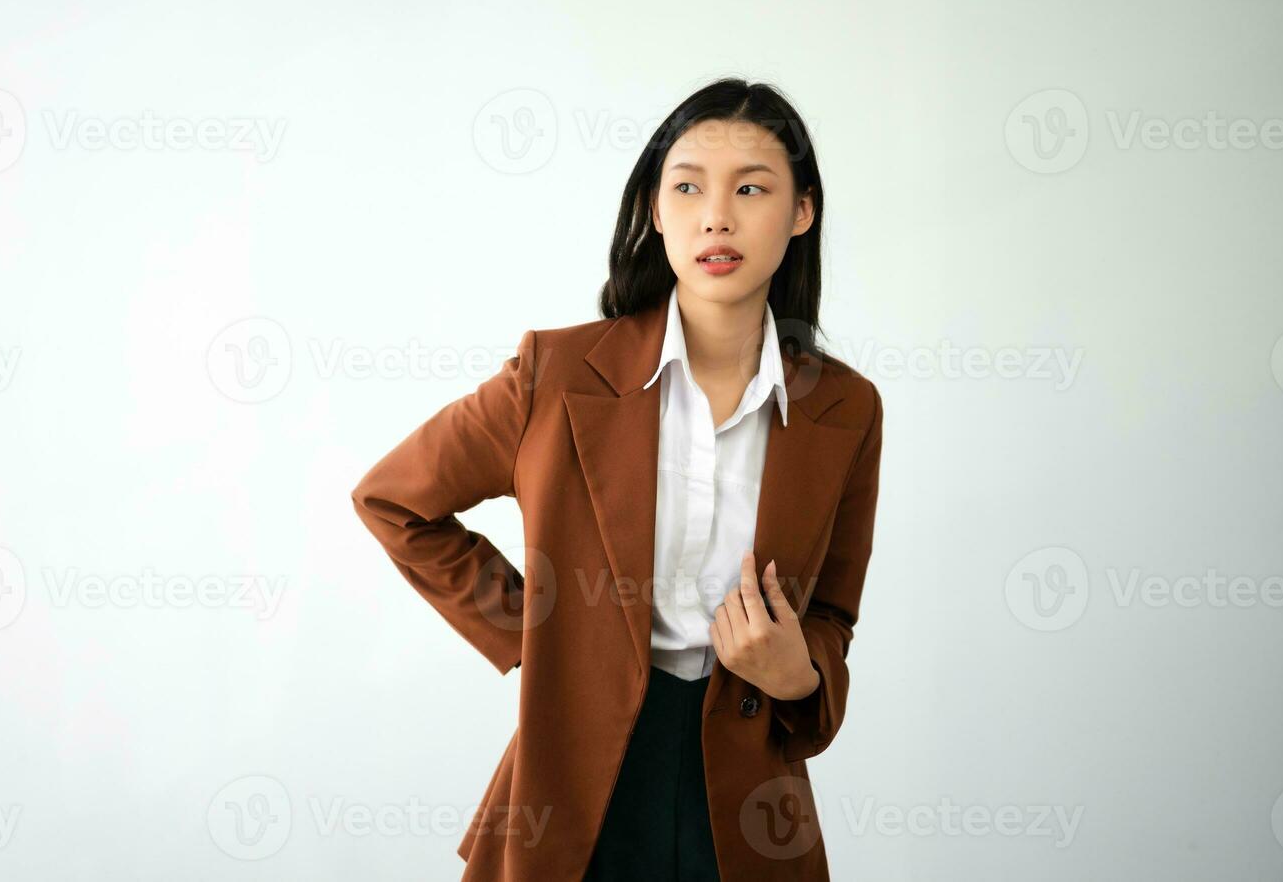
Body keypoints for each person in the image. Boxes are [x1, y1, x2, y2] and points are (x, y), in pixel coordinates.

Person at [351, 76, 885, 881]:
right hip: (575, 786)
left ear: (801, 212)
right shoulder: (556, 375)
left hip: (748, 800)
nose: (717, 215)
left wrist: (799, 672)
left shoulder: (845, 408)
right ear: (655, 210)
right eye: (688, 186)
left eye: (751, 187)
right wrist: (536, 627)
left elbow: (835, 614)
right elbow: (394, 500)